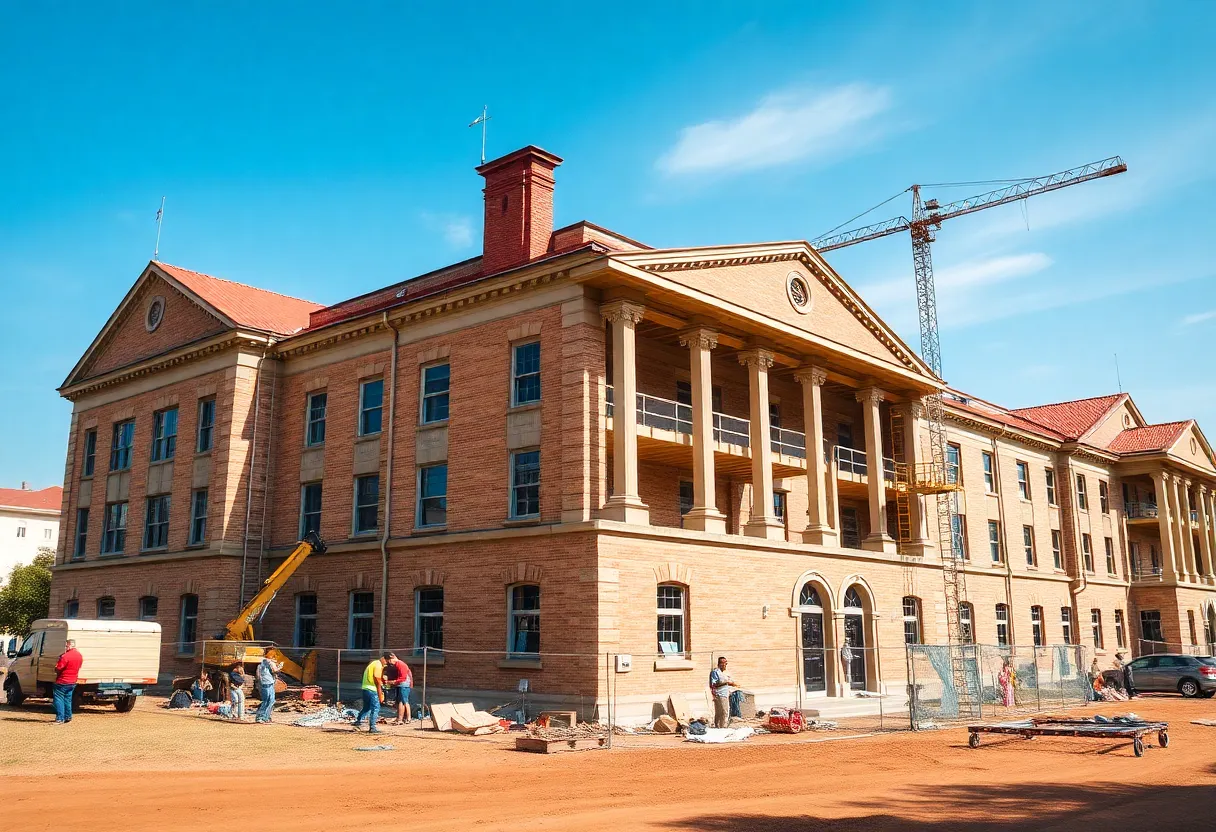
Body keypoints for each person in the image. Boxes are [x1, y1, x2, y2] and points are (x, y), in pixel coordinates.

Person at [52, 638, 83, 725]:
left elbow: (59, 668)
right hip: (73, 681)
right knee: (68, 699)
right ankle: (68, 716)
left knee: (59, 699)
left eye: (66, 646)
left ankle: (60, 718)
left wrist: (55, 668)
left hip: (62, 681)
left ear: (69, 645)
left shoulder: (65, 656)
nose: (65, 647)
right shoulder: (79, 655)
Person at [354, 655, 384, 733]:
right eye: (386, 663)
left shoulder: (372, 664)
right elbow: (377, 679)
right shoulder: (378, 665)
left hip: (365, 688)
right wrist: (380, 693)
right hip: (372, 690)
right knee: (375, 708)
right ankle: (372, 727)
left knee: (367, 707)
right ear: (384, 659)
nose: (385, 665)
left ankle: (358, 721)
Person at [382, 652, 413, 725]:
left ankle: (405, 718)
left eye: (388, 660)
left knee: (403, 702)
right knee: (400, 701)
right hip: (400, 685)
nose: (388, 663)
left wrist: (392, 682)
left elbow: (403, 678)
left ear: (392, 657)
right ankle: (402, 718)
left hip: (404, 685)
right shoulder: (396, 665)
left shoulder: (400, 664)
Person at [708, 656, 737, 728]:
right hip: (719, 694)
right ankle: (722, 727)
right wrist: (726, 682)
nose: (725, 665)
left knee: (721, 712)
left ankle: (719, 726)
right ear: (720, 664)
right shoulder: (715, 672)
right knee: (723, 712)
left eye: (726, 663)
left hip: (725, 693)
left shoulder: (724, 673)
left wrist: (731, 684)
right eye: (723, 663)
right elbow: (714, 684)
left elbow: (727, 682)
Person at [254, 654, 282, 724]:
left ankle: (266, 717)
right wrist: (279, 667)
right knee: (267, 701)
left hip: (268, 683)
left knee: (271, 700)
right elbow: (275, 671)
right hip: (266, 683)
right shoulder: (266, 663)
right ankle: (260, 717)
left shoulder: (261, 665)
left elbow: (258, 676)